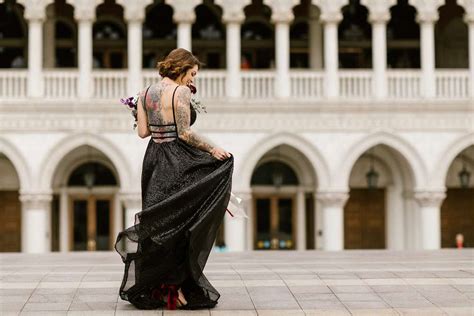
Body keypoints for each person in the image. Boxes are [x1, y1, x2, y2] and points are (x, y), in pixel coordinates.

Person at [114, 48, 233, 310]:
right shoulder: (180, 93)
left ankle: (165, 287)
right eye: (192, 73)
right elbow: (185, 134)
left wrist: (139, 112)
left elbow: (143, 133)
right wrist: (213, 149)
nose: (193, 80)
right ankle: (176, 286)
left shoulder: (145, 93)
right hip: (176, 160)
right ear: (181, 69)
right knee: (183, 221)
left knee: (159, 222)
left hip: (154, 160)